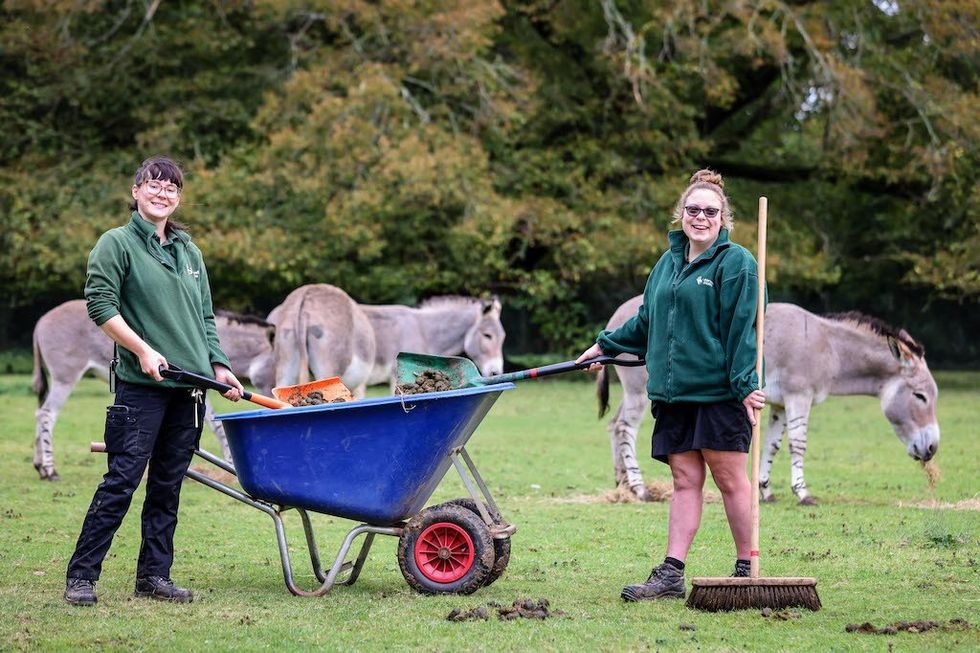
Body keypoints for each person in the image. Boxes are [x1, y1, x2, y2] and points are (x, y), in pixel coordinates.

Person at [576, 169, 766, 602]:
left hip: (719, 394)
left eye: (710, 211)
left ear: (724, 218)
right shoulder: (667, 264)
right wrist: (602, 346)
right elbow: (646, 322)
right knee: (684, 480)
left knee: (731, 480)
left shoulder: (737, 264)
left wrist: (745, 385)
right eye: (693, 209)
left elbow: (744, 331)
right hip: (673, 393)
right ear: (681, 213)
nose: (701, 217)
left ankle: (745, 569)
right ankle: (671, 575)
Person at [64, 155, 244, 606]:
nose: (162, 194)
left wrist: (218, 366)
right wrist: (143, 350)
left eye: (171, 188)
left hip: (189, 389)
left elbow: (204, 316)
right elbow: (101, 306)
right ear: (136, 191)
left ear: (178, 198)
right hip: (140, 390)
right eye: (154, 185)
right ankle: (82, 577)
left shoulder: (189, 252)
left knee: (167, 488)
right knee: (122, 481)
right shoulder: (116, 244)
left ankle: (154, 577)